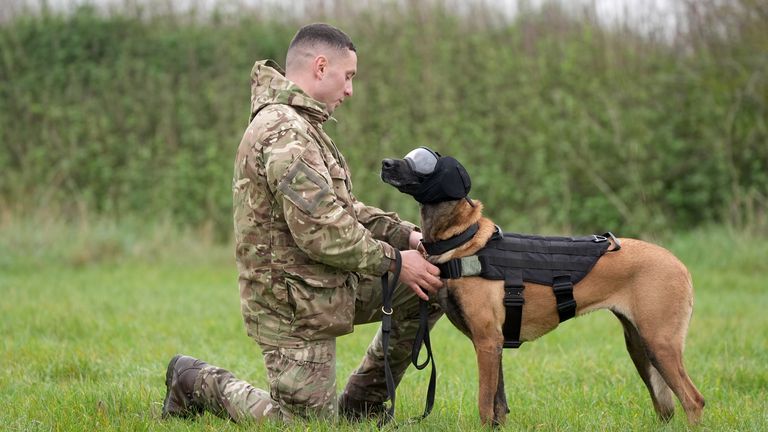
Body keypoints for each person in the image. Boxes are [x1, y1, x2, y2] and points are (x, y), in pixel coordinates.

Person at [161, 23, 444, 424]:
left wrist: (406, 236)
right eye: (348, 78)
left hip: (323, 282)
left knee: (428, 286)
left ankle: (360, 406)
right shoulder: (284, 131)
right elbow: (323, 230)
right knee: (303, 425)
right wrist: (396, 261)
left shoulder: (306, 126)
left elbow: (343, 210)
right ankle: (194, 381)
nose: (350, 91)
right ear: (321, 67)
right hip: (290, 303)